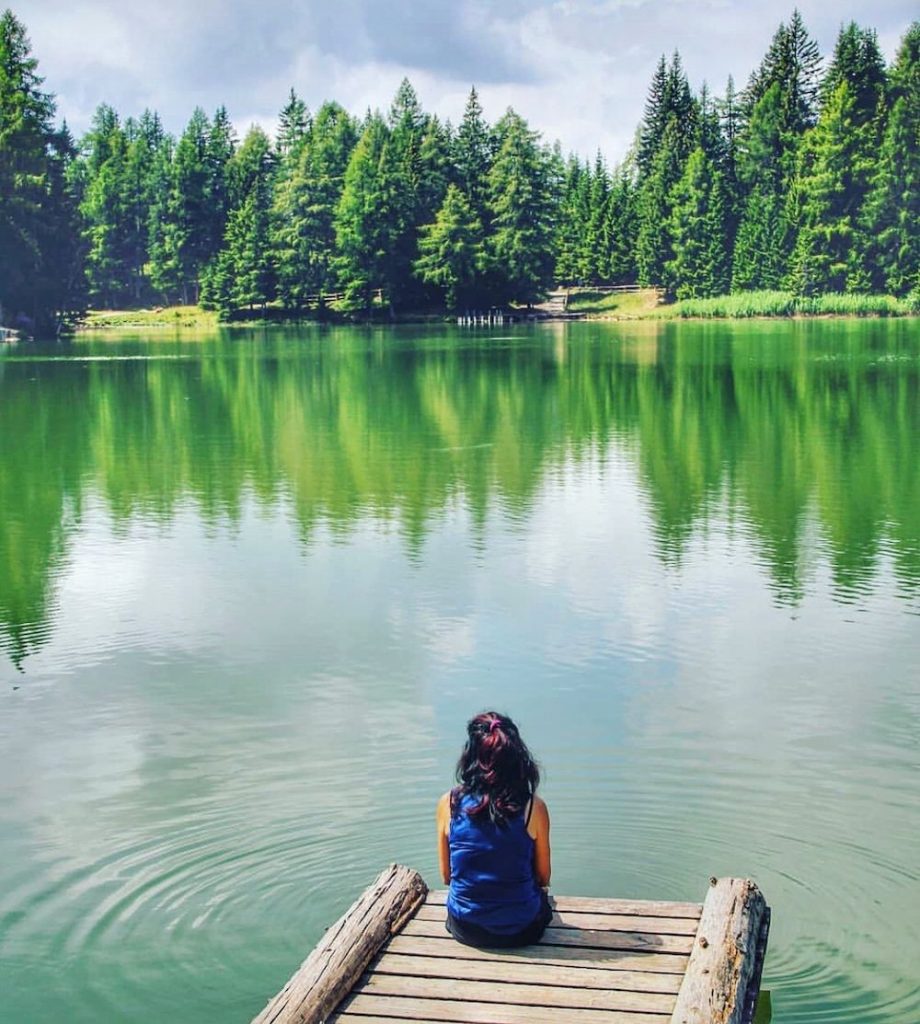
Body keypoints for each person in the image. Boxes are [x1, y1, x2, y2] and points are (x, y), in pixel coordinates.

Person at [436, 711, 553, 948]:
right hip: (521, 930)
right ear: (517, 757)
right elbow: (543, 877)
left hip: (466, 927)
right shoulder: (533, 807)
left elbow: (447, 877)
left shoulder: (449, 803)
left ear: (469, 755)